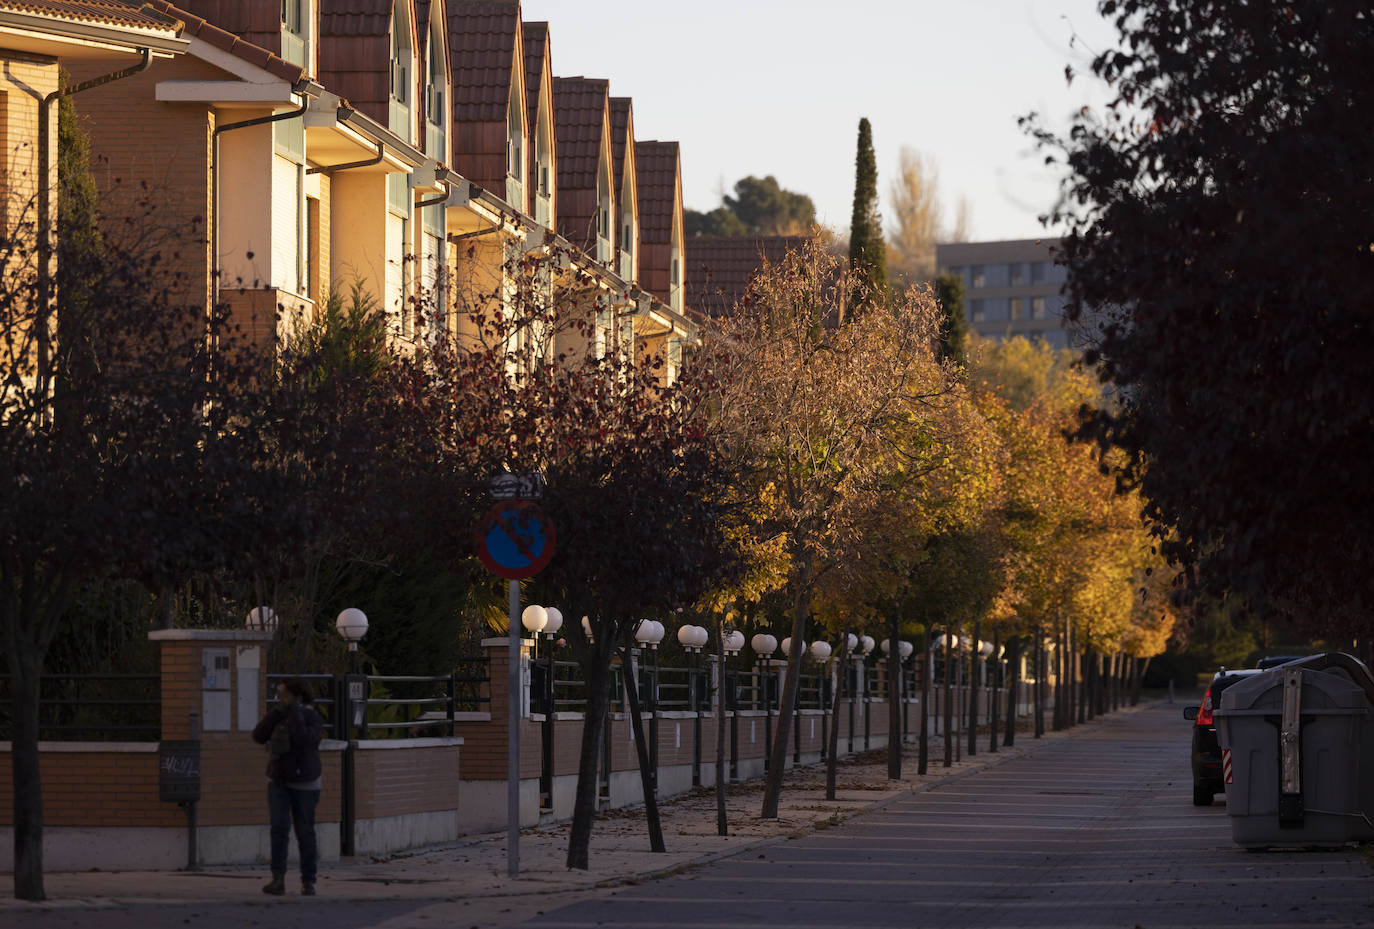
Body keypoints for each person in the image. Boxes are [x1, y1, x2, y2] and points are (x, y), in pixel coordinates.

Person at [252, 677, 324, 896]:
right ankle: (278, 879)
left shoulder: (312, 717)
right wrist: (276, 713)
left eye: (285, 694)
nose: (281, 698)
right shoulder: (279, 715)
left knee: (305, 832)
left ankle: (308, 881)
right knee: (279, 829)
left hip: (305, 783)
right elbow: (258, 736)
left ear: (298, 697)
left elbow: (303, 740)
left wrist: (295, 713)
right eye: (280, 694)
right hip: (279, 781)